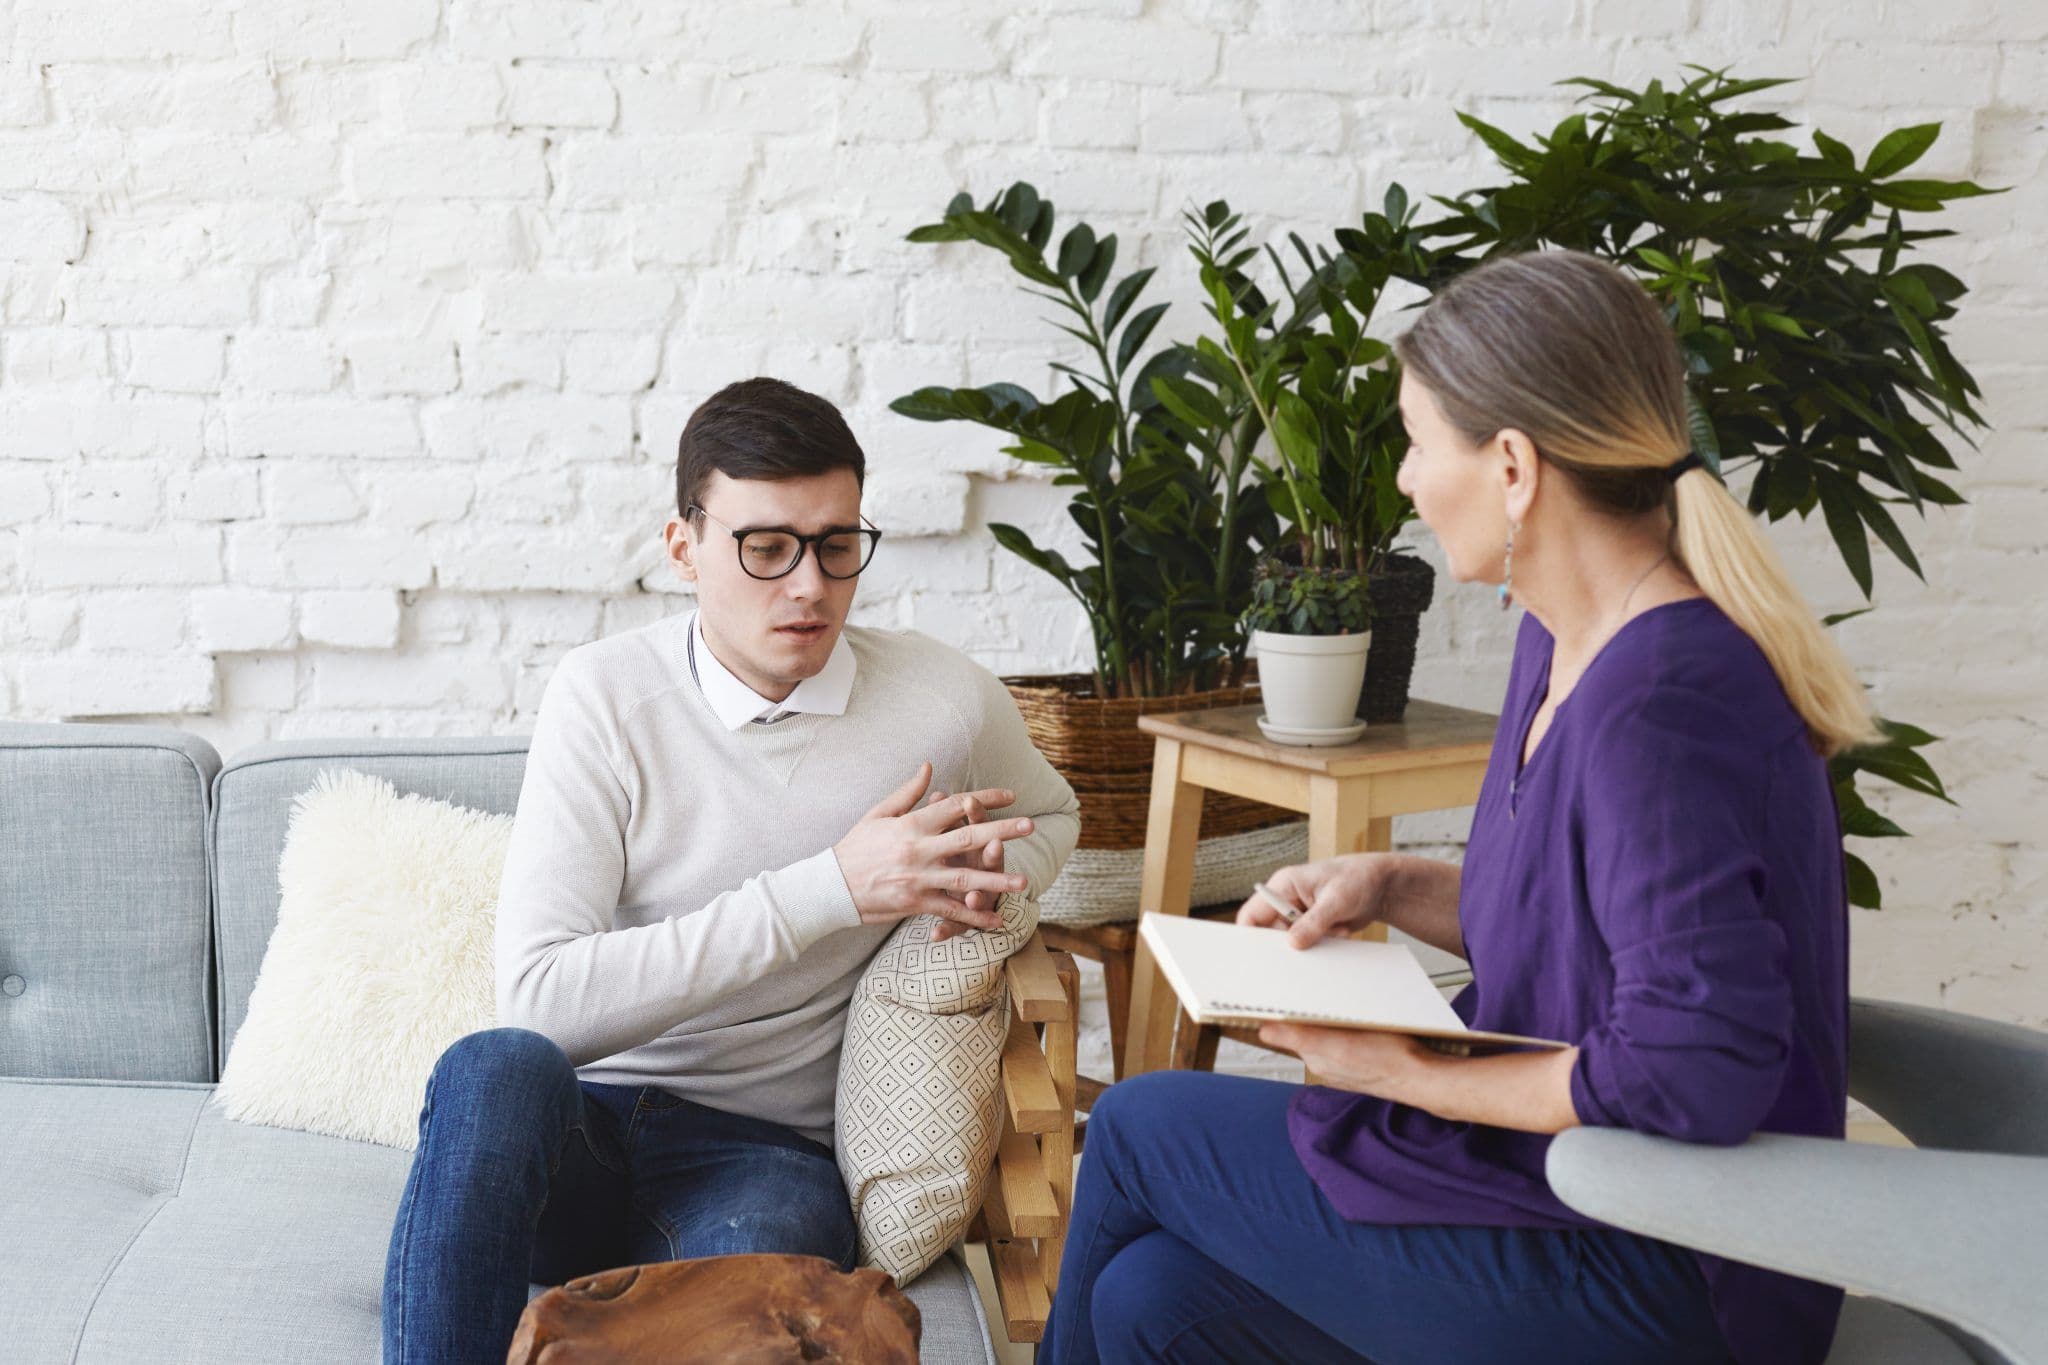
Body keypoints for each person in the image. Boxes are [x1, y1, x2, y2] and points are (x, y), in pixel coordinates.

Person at [1040, 249, 1875, 1365]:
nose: (1400, 482)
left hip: (1670, 1268)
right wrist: (1387, 885)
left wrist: (1406, 1074)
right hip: (1566, 1195)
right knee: (1152, 1301)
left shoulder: (1661, 700)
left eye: (1417, 443)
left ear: (1514, 466)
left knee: (1144, 1126)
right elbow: (1596, 931)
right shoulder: (1561, 637)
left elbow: (1693, 1065)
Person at [382, 376, 1081, 1364]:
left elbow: (1055, 812)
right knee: (493, 1064)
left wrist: (982, 884)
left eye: (837, 546)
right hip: (578, 1127)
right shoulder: (605, 698)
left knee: (763, 1309)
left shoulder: (940, 700)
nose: (807, 585)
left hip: (759, 1153)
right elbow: (540, 1003)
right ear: (684, 549)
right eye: (765, 547)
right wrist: (829, 889)